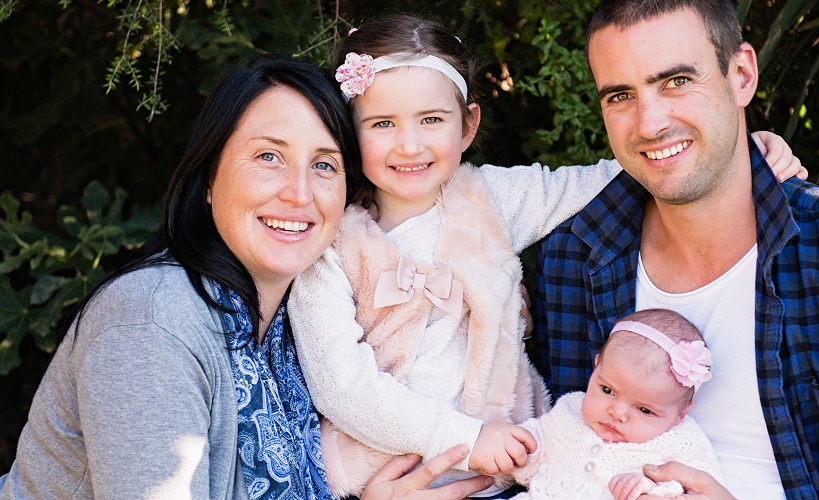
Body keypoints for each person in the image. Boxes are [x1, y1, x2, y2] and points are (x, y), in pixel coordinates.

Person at [286, 13, 807, 499]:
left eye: (430, 119)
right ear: (346, 133)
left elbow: (614, 174)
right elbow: (341, 384)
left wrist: (738, 148)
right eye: (381, 124)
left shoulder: (491, 199)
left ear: (467, 125)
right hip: (389, 478)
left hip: (509, 475)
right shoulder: (327, 242)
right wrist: (464, 437)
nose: (409, 145)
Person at [533, 0, 819, 498]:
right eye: (621, 95)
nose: (649, 124)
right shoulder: (573, 259)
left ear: (741, 75)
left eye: (676, 82)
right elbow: (539, 459)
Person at [0, 56, 492, 500]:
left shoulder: (300, 325)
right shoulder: (152, 326)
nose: (299, 193)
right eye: (268, 157)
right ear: (210, 177)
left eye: (324, 165)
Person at [510, 309, 721, 500]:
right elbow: (535, 444)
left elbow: (699, 486)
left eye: (645, 410)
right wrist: (511, 446)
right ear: (597, 366)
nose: (617, 413)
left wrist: (649, 487)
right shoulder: (570, 411)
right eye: (607, 390)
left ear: (680, 414)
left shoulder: (682, 441)